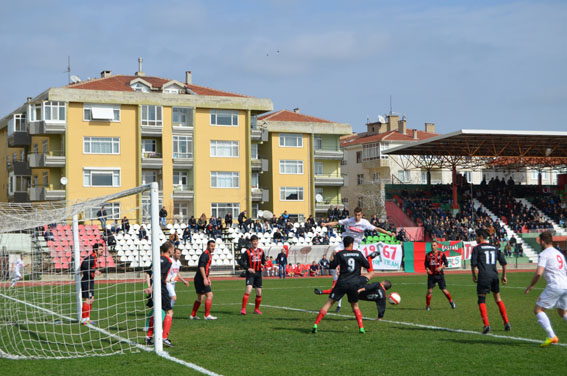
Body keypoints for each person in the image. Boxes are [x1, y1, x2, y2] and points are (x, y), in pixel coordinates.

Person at [312, 236, 371, 334]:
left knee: (329, 303)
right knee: (355, 305)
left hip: (342, 282)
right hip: (354, 283)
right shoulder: (358, 253)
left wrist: (333, 257)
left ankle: (316, 324)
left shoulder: (340, 254)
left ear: (344, 244)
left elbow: (332, 266)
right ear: (351, 244)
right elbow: (367, 265)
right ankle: (361, 327)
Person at [525, 231, 567, 347]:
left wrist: (531, 286)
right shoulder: (559, 254)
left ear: (543, 241)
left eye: (539, 242)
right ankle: (551, 336)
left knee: (538, 310)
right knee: (562, 312)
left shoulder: (544, 254)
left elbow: (539, 273)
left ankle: (551, 336)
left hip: (555, 285)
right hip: (565, 285)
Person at [471, 228, 510, 334]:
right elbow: (504, 263)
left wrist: (474, 275)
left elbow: (473, 264)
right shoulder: (495, 248)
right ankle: (506, 322)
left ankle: (486, 325)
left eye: (476, 236)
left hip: (483, 276)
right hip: (494, 276)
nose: (475, 238)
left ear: (481, 237)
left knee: (481, 299)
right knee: (498, 298)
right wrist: (504, 276)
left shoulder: (477, 248)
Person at [145, 241, 175, 347]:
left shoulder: (156, 260)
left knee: (156, 312)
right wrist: (153, 288)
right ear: (170, 250)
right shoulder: (168, 261)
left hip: (154, 288)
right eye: (173, 249)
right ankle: (164, 337)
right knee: (169, 312)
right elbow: (160, 276)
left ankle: (148, 337)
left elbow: (148, 274)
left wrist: (149, 287)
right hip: (161, 288)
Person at [321, 207, 394, 250]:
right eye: (355, 215)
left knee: (359, 261)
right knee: (334, 254)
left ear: (361, 215)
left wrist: (389, 233)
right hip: (345, 242)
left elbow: (377, 229)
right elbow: (336, 223)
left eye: (358, 215)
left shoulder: (365, 223)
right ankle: (336, 276)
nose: (357, 217)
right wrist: (326, 224)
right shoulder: (349, 220)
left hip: (355, 244)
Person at [425, 240, 456, 311]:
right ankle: (428, 306)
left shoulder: (441, 254)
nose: (432, 247)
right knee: (429, 291)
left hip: (439, 275)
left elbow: (446, 263)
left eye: (434, 245)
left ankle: (451, 302)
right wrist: (427, 269)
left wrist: (441, 267)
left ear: (437, 246)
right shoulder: (428, 255)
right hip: (431, 276)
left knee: (444, 290)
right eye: (432, 245)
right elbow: (426, 264)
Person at [238, 235, 265, 315]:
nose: (255, 243)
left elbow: (263, 261)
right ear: (251, 242)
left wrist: (264, 263)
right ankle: (243, 309)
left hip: (258, 273)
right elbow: (240, 261)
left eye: (256, 241)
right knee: (248, 290)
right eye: (253, 241)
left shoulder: (261, 251)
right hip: (250, 274)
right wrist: (248, 268)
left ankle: (256, 309)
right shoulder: (247, 252)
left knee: (259, 293)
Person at [190, 240, 217, 320]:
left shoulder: (209, 255)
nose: (213, 248)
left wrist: (208, 278)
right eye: (211, 246)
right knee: (210, 295)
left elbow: (206, 268)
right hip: (200, 279)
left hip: (199, 278)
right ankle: (207, 315)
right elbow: (201, 267)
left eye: (214, 246)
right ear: (207, 246)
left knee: (200, 298)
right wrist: (205, 278)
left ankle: (193, 315)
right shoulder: (205, 255)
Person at [80, 243, 103, 325]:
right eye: (100, 249)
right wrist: (94, 271)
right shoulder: (92, 257)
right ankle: (83, 319)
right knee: (88, 300)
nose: (102, 251)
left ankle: (88, 318)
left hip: (91, 280)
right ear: (95, 250)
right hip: (86, 281)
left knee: (92, 299)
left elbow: (85, 265)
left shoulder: (94, 258)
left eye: (102, 249)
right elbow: (84, 265)